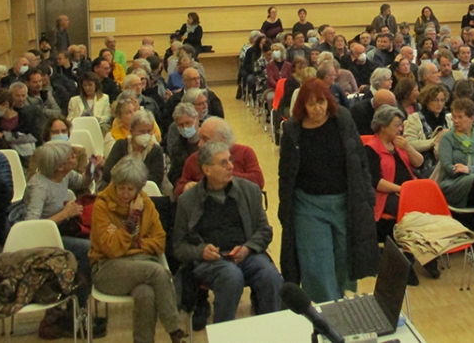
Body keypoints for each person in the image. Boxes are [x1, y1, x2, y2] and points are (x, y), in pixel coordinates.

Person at [278, 79, 380, 303]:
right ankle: (329, 313)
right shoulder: (293, 130)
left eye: (321, 102)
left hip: (345, 202)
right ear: (302, 106)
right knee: (317, 264)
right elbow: (285, 174)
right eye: (312, 104)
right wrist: (284, 209)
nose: (318, 108)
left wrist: (367, 194)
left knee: (344, 259)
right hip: (308, 206)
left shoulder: (342, 119)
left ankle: (338, 299)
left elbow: (359, 159)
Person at [175, 142, 283, 323]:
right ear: (207, 170)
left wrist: (247, 248)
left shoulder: (249, 190)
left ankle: (271, 330)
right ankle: (223, 332)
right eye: (223, 163)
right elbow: (179, 246)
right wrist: (201, 251)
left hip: (246, 255)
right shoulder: (188, 201)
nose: (231, 166)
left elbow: (264, 230)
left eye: (230, 161)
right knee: (231, 277)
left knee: (271, 276)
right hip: (210, 261)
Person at [89, 157, 187, 343]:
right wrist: (131, 222)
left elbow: (159, 242)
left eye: (130, 189)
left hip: (140, 268)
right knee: (158, 271)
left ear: (139, 189)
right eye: (121, 188)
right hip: (107, 269)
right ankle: (175, 331)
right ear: (114, 184)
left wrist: (129, 245)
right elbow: (110, 250)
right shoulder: (101, 206)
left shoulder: (147, 204)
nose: (125, 194)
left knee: (146, 294)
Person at [364, 106, 434, 281]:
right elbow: (376, 181)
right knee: (411, 212)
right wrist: (400, 189)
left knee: (428, 208)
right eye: (396, 125)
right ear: (383, 126)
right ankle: (415, 260)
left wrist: (409, 148)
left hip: (409, 190)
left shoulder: (399, 143)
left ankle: (426, 255)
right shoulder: (371, 148)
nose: (400, 128)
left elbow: (418, 163)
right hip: (387, 194)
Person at [22, 142, 94, 302]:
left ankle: (83, 301)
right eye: (70, 157)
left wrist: (93, 167)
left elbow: (83, 182)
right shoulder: (39, 187)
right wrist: (65, 213)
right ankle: (77, 304)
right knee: (86, 250)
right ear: (59, 167)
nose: (74, 157)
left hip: (62, 229)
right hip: (42, 239)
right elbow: (31, 227)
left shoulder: (65, 175)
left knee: (96, 239)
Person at [174, 117, 263, 198]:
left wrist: (224, 175)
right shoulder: (194, 159)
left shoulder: (245, 153)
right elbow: (179, 189)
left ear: (223, 139)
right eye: (199, 138)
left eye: (205, 139)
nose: (199, 144)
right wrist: (186, 187)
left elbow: (258, 181)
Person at [437, 98, 474, 209]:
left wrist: (469, 169)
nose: (456, 121)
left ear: (471, 118)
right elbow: (447, 166)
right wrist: (458, 170)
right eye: (454, 117)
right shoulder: (447, 138)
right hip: (452, 183)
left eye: (460, 117)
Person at [102, 110, 169, 195]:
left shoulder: (156, 150)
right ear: (132, 130)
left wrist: (125, 178)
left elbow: (156, 179)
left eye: (149, 131)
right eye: (142, 131)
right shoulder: (120, 145)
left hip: (146, 193)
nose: (146, 135)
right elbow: (107, 173)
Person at [403, 85, 449, 176]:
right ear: (427, 101)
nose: (439, 104)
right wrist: (434, 141)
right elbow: (409, 143)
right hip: (423, 167)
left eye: (442, 100)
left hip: (445, 163)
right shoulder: (414, 119)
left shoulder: (449, 119)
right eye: (435, 100)